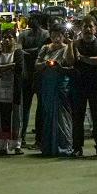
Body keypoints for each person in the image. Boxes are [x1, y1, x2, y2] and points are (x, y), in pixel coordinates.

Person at [67, 16, 97, 157]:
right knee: (77, 118)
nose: (88, 29)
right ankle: (77, 147)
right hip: (78, 85)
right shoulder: (75, 44)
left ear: (95, 29)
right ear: (81, 28)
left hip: (95, 85)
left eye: (91, 26)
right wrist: (70, 46)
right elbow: (71, 61)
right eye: (85, 26)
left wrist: (83, 58)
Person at [36, 23, 74, 157]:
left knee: (62, 116)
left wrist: (70, 45)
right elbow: (37, 65)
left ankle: (64, 146)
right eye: (53, 35)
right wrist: (45, 64)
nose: (56, 38)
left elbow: (71, 63)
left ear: (63, 36)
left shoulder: (67, 47)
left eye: (59, 35)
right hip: (47, 85)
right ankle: (48, 146)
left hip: (61, 85)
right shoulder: (45, 48)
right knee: (48, 115)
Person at [0, 29, 24, 156]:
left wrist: (1, 68)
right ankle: (1, 145)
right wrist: (10, 66)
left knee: (15, 116)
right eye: (4, 37)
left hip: (14, 89)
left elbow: (19, 68)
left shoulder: (18, 53)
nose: (7, 40)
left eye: (10, 37)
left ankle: (16, 145)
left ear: (14, 39)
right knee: (0, 116)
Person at [17, 15, 49, 147]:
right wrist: (34, 51)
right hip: (26, 75)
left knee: (41, 108)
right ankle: (21, 137)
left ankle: (39, 139)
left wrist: (27, 51)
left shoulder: (46, 34)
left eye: (33, 19)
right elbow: (18, 50)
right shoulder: (24, 34)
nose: (31, 22)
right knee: (24, 108)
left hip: (41, 75)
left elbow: (44, 50)